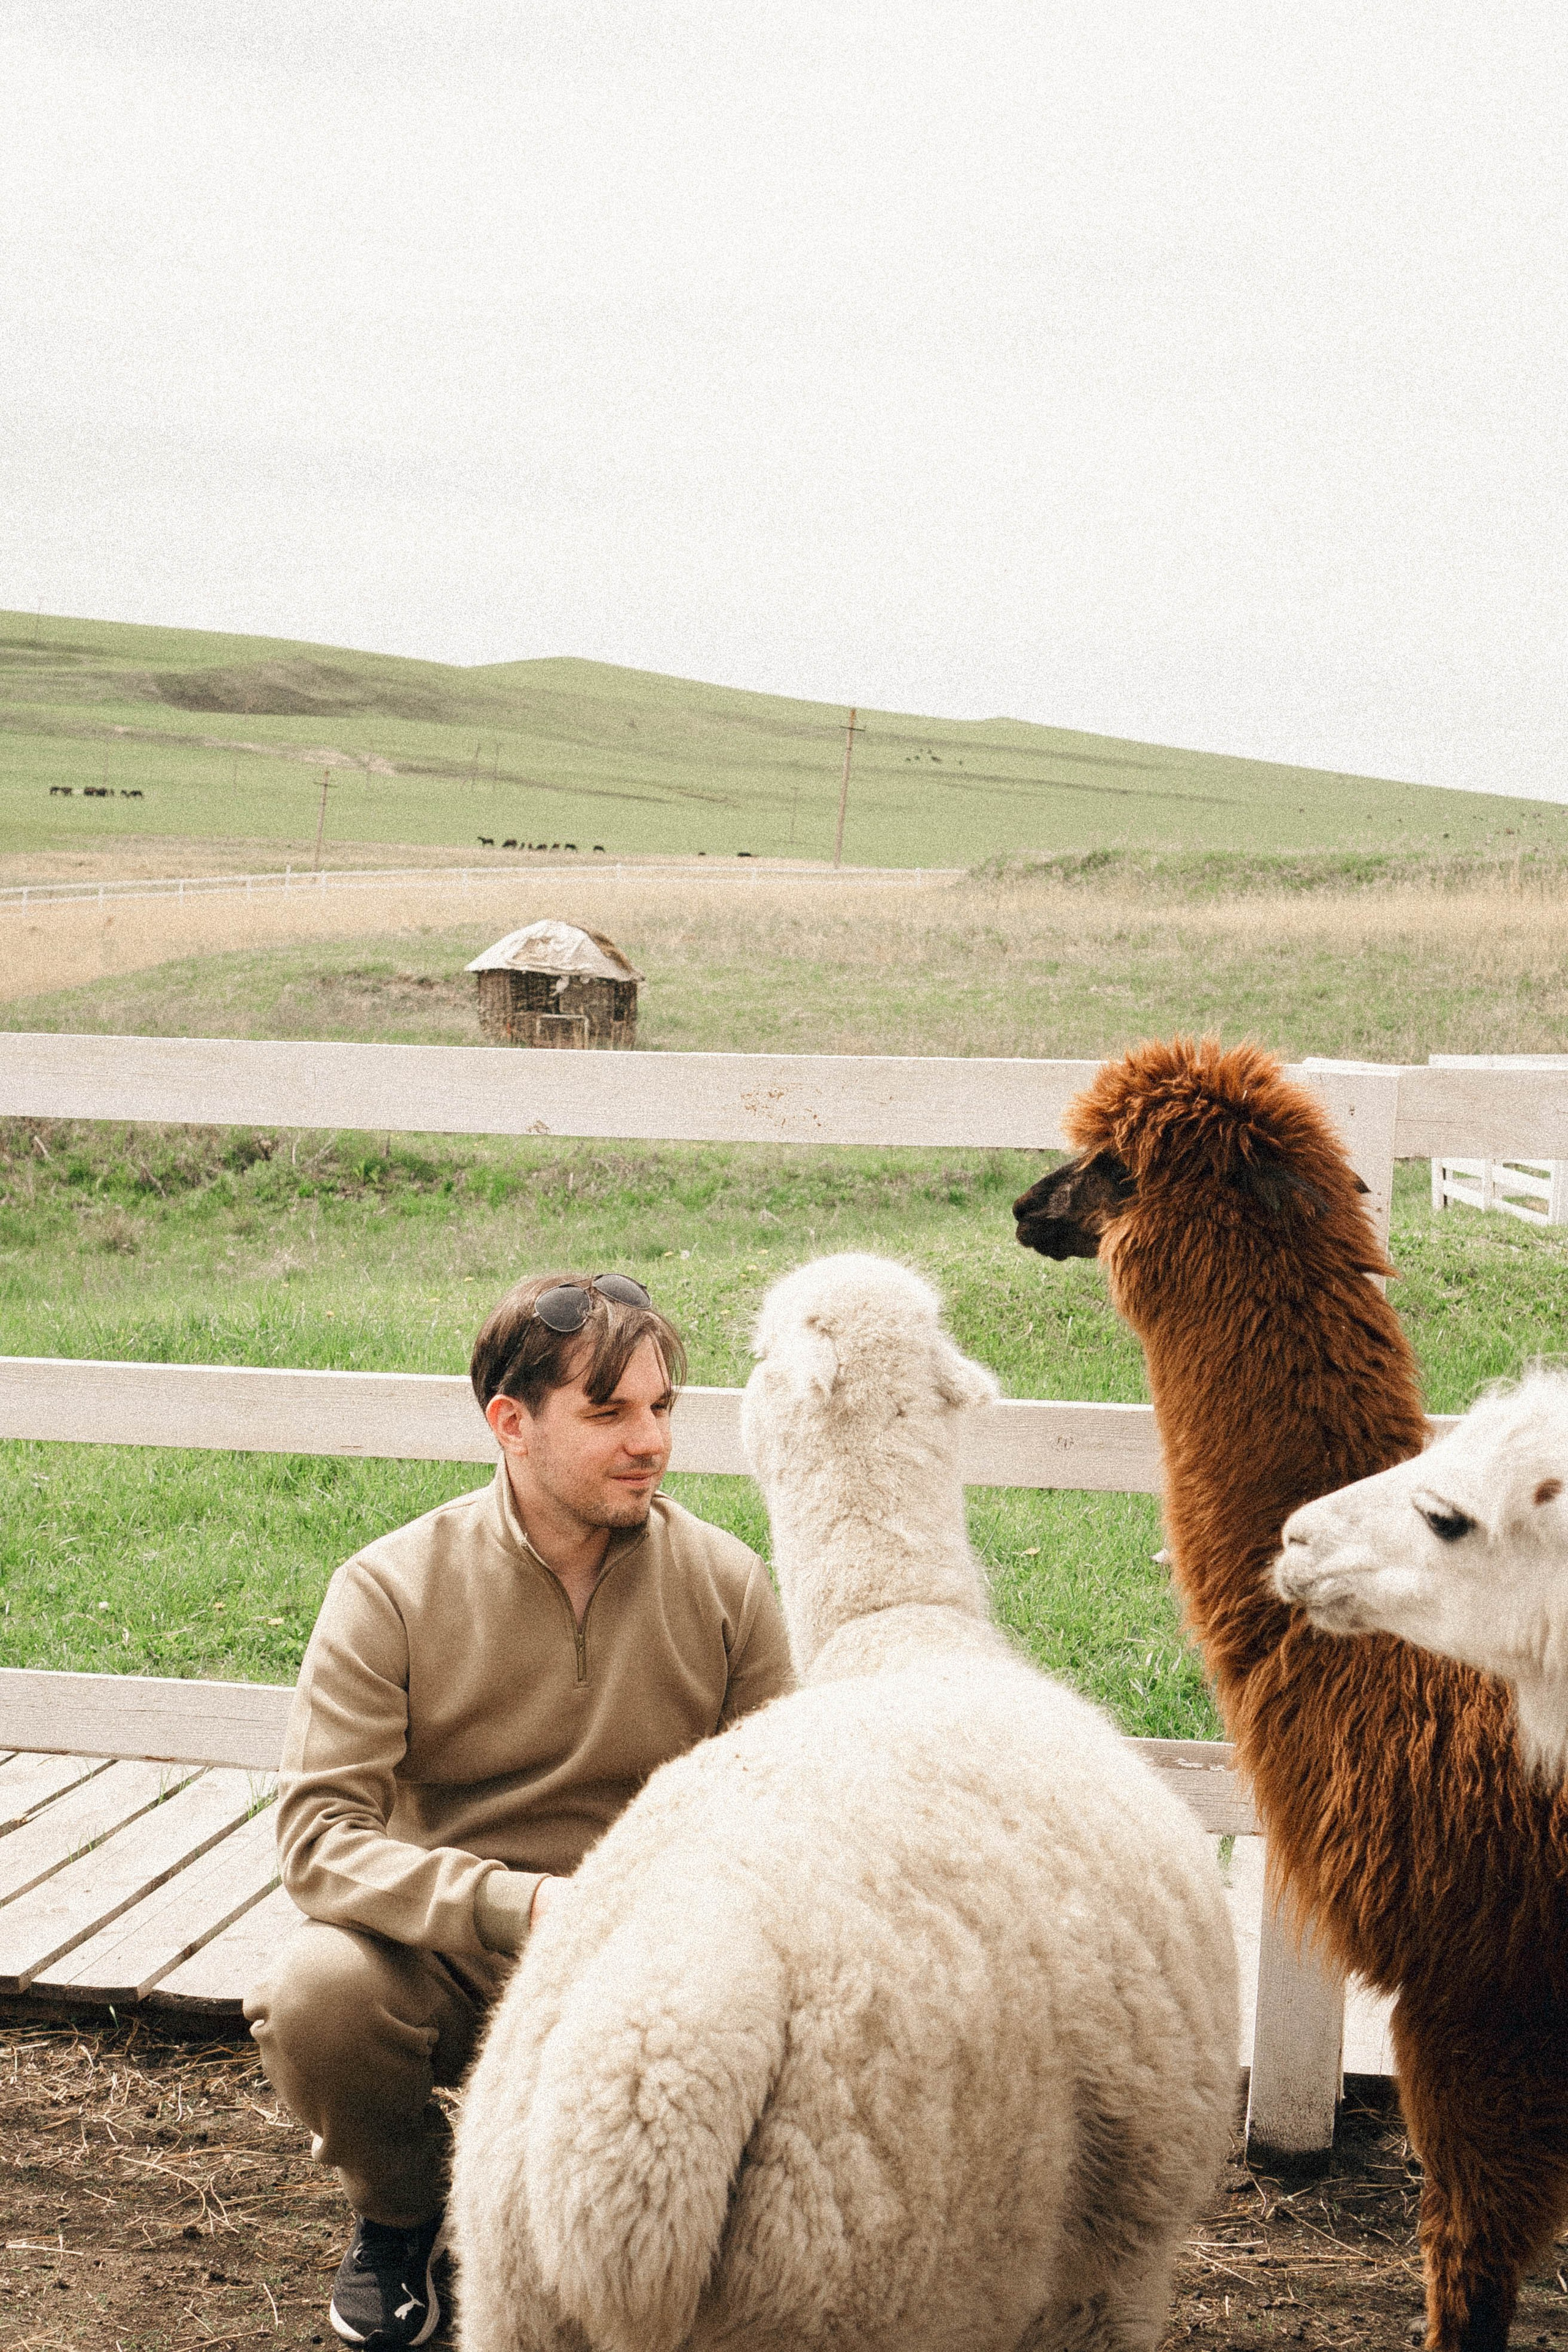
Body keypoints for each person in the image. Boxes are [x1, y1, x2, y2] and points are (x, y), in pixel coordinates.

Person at [243, 1271, 795, 2349]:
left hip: (660, 1951)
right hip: (464, 1946)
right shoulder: (389, 1590)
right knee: (317, 1994)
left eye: (663, 1406)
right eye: (609, 1413)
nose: (652, 1442)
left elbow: (786, 1820)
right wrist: (519, 1906)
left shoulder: (730, 1587)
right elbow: (317, 1843)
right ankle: (407, 2222)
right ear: (512, 1424)